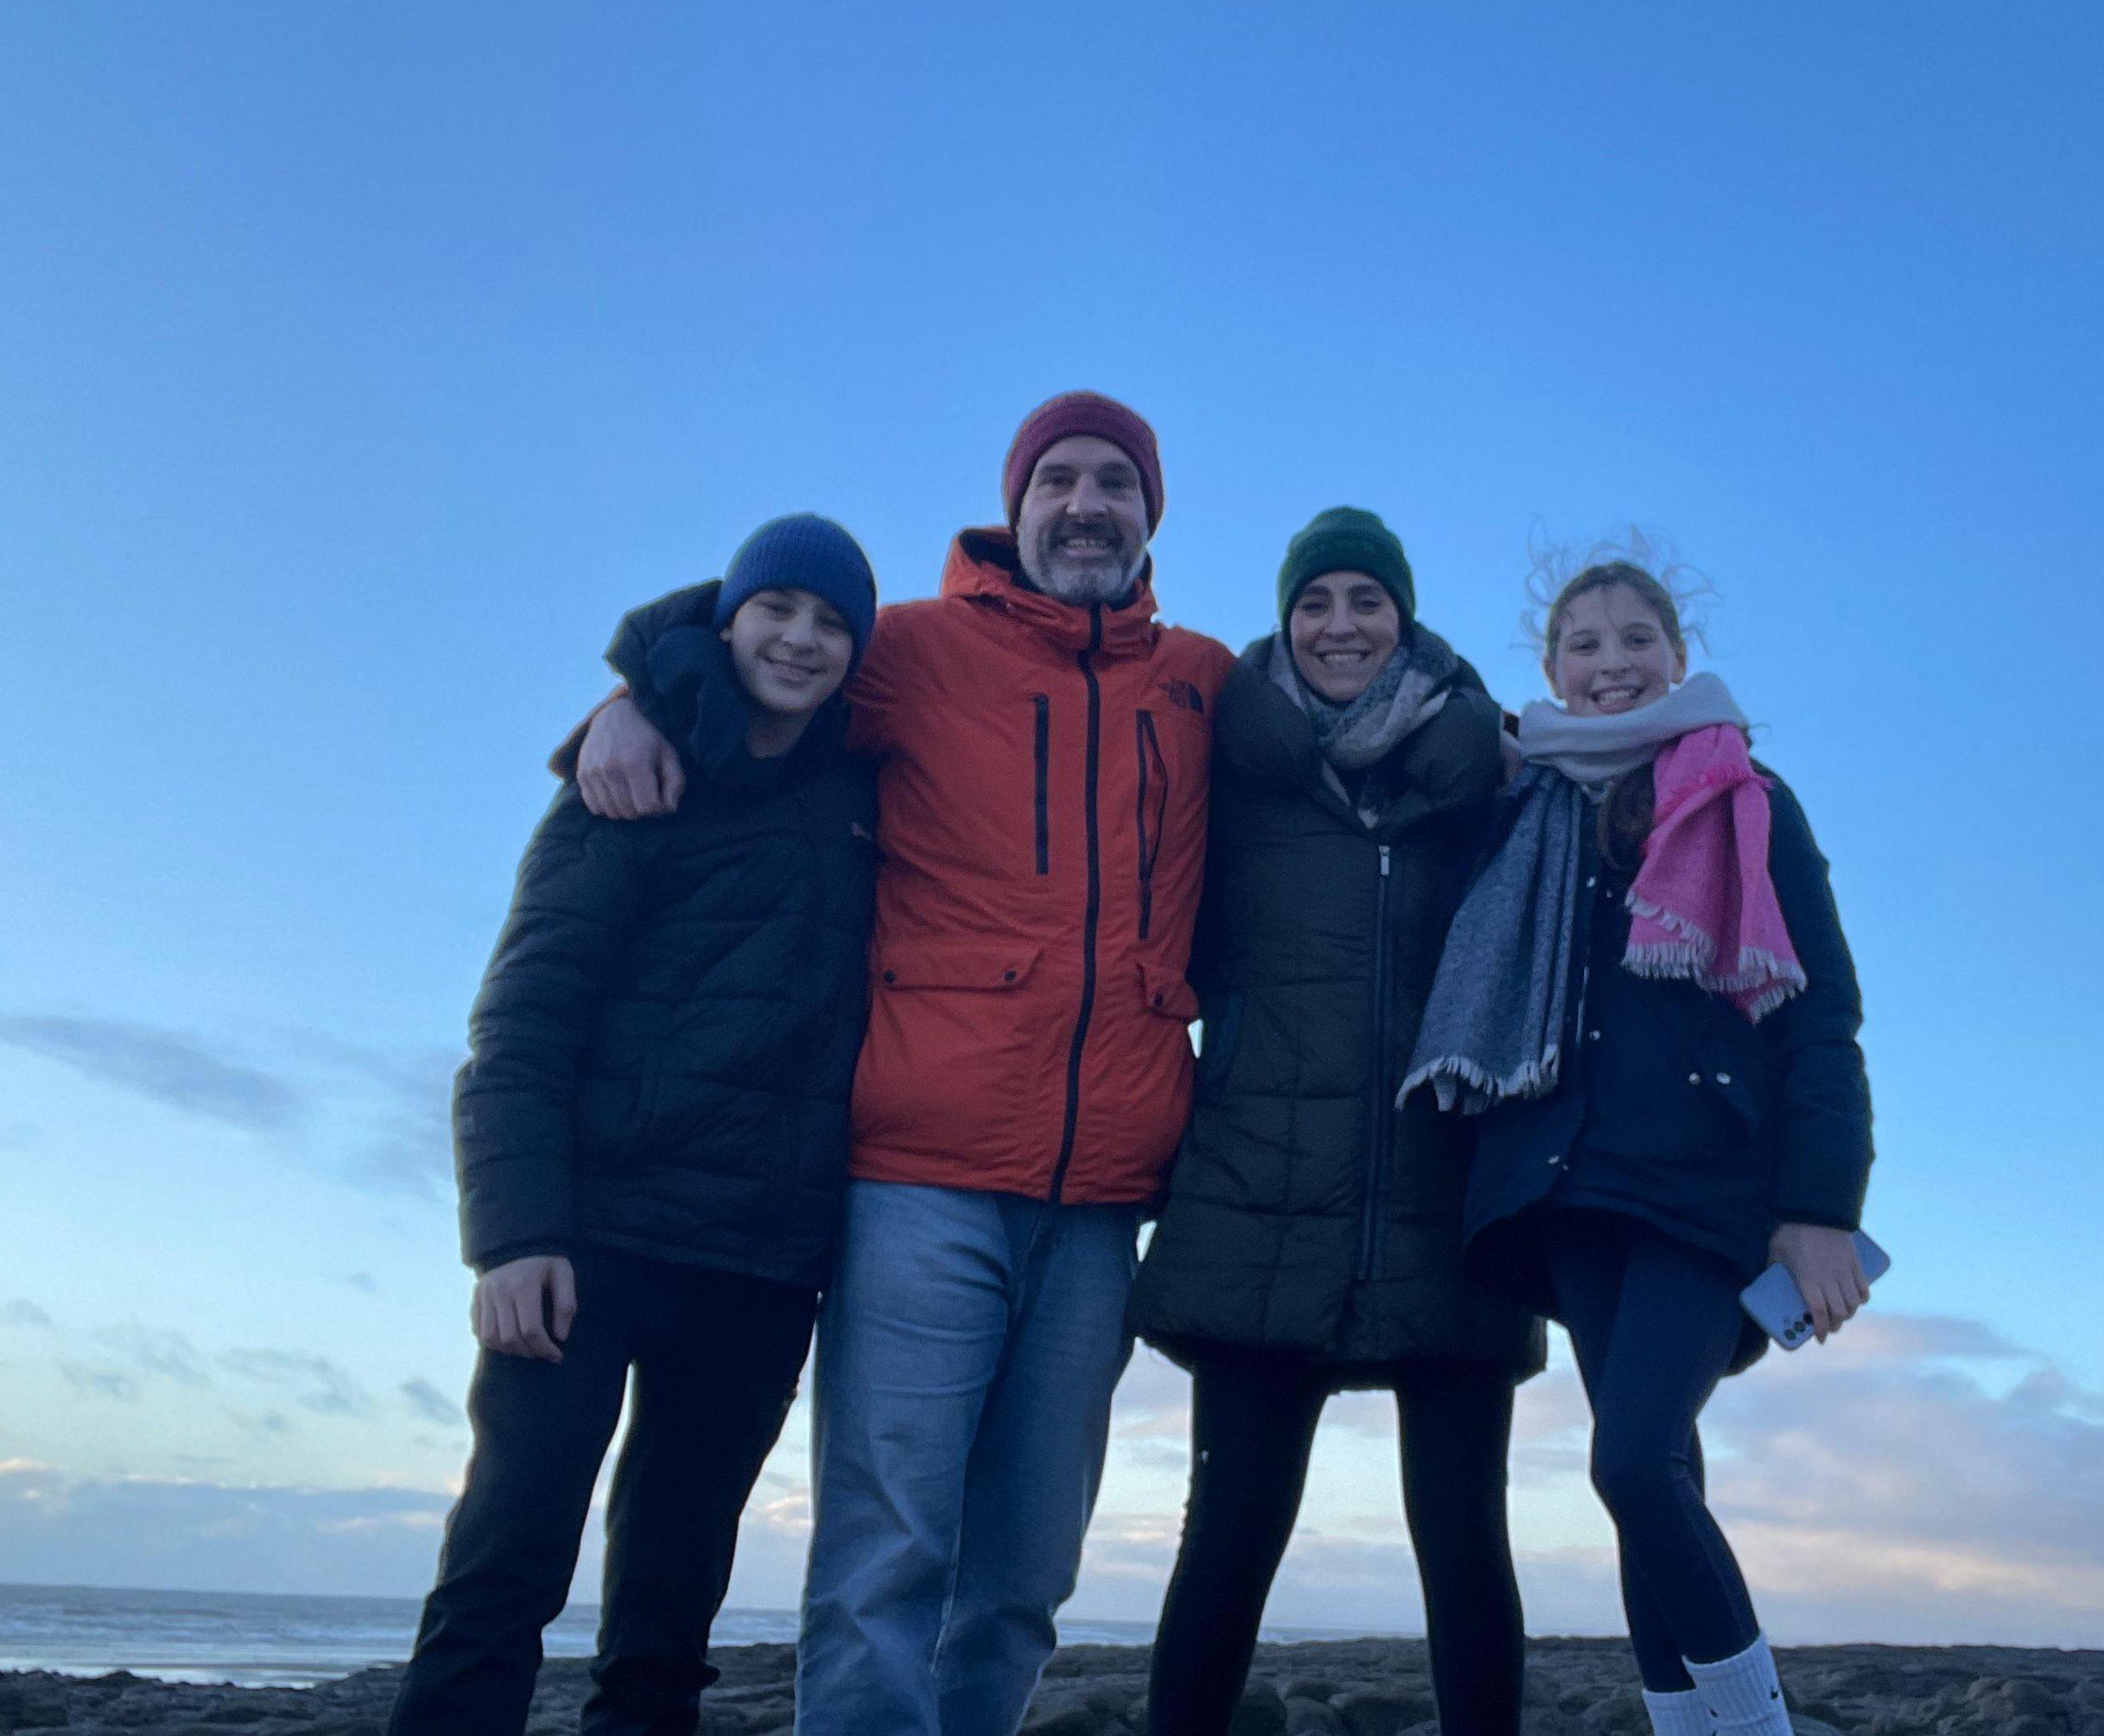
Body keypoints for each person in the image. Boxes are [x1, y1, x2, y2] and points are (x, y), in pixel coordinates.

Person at [568, 392, 1233, 1736]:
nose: (1087, 504)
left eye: (1116, 482)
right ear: (1015, 507)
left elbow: (1357, 711)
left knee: (1024, 1575)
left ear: (1151, 511)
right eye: (1057, 481)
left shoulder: (1204, 683)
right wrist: (631, 696)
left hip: (1106, 1197)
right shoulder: (912, 654)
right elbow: (752, 646)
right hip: (919, 1177)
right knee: (887, 1555)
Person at [391, 515, 884, 1736]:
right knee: (505, 1562)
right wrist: (510, 1237)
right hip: (587, 1243)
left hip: (760, 1262)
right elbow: (522, 1018)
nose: (803, 640)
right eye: (779, 609)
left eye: (832, 623)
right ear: (729, 620)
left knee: (668, 1614)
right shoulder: (633, 775)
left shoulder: (866, 794)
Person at [1404, 555, 1877, 1736]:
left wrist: (1819, 1206)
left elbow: (1821, 1021)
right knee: (1651, 1477)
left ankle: (1753, 1727)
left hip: (1703, 1192)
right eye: (1583, 646)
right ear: (1550, 666)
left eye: (1635, 641)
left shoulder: (1744, 792)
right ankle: (1692, 1727)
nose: (1611, 667)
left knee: (1631, 1465)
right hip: (1569, 1189)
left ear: (1678, 654)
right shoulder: (1534, 802)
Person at [1127, 508, 1546, 1736]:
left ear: (1403, 619)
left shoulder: (1491, 773)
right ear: (1284, 617)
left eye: (1368, 601)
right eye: (1317, 602)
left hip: (1448, 1199)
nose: (1341, 625)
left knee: (1465, 1531)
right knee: (1232, 1525)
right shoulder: (1227, 768)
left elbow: (1637, 759)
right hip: (1259, 1191)